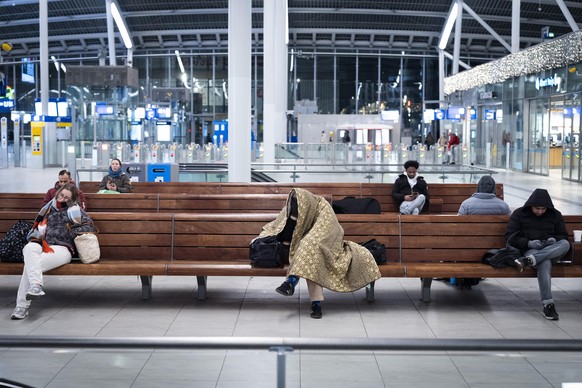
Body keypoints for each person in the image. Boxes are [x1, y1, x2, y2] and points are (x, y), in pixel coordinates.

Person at [260, 188, 380, 319]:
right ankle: (315, 303)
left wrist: (304, 242)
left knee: (312, 252)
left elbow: (325, 234)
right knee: (310, 254)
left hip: (326, 246)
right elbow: (278, 228)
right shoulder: (292, 207)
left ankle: (292, 282)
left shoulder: (323, 208)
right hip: (301, 249)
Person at [11, 183, 96, 320]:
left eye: (66, 198)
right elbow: (37, 228)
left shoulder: (74, 210)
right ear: (58, 192)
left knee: (30, 266)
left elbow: (89, 225)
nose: (62, 199)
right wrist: (36, 238)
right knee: (29, 248)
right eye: (61, 195)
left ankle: (22, 307)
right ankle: (36, 286)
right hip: (42, 244)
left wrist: (72, 230)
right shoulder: (48, 208)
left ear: (72, 199)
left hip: (62, 248)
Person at [506, 188, 570, 320]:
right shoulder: (519, 214)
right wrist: (530, 243)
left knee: (565, 244)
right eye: (537, 208)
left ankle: (529, 260)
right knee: (544, 263)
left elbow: (563, 236)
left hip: (552, 250)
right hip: (531, 250)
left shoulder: (555, 215)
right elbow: (510, 238)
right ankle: (548, 304)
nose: (540, 212)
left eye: (543, 209)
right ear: (531, 206)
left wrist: (555, 240)